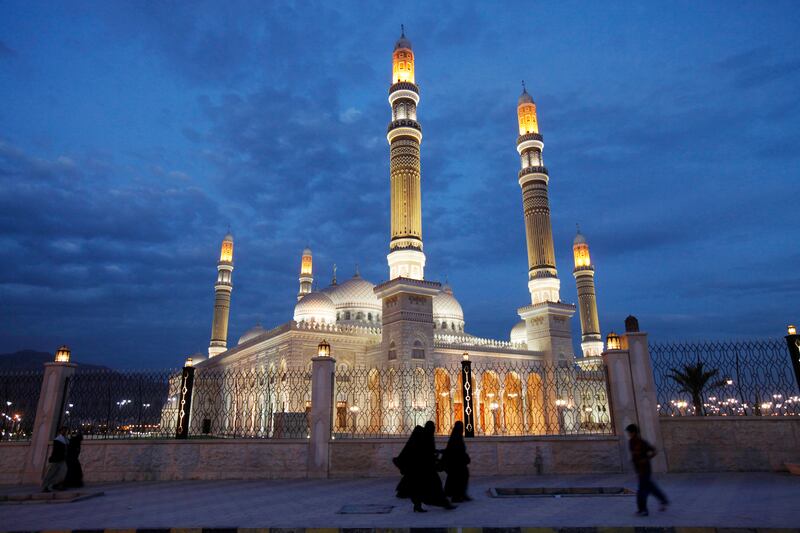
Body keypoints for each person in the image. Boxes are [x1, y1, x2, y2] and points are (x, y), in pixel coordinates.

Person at [626, 423, 669, 516]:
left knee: (642, 491)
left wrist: (645, 459)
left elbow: (654, 451)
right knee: (651, 487)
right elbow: (634, 455)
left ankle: (643, 509)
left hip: (645, 470)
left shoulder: (641, 442)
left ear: (633, 432)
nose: (628, 434)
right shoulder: (631, 442)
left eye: (629, 432)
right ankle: (663, 500)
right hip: (639, 470)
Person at [421, 421, 455, 510]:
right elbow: (426, 452)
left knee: (429, 485)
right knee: (436, 484)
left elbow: (428, 450)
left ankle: (425, 502)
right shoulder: (427, 438)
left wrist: (436, 452)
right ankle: (444, 503)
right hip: (428, 467)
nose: (434, 429)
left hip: (428, 466)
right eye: (433, 427)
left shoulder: (427, 437)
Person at [442, 421, 471, 502]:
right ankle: (456, 496)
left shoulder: (456, 436)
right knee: (457, 479)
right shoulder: (456, 437)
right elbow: (455, 450)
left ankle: (460, 494)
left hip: (458, 462)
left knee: (458, 478)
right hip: (456, 463)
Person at [40, 426, 69, 492]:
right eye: (64, 430)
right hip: (56, 459)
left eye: (66, 430)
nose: (65, 432)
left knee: (62, 472)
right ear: (60, 431)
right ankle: (45, 486)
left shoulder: (65, 439)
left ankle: (56, 484)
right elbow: (56, 451)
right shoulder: (58, 440)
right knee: (51, 473)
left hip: (62, 459)